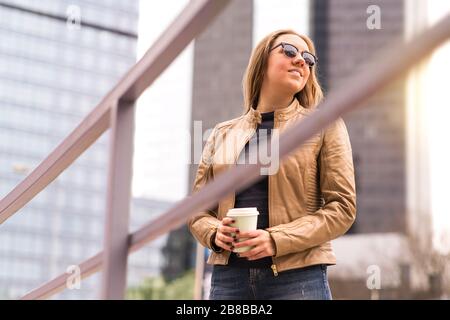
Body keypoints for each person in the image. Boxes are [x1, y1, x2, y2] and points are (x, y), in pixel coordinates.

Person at [188, 29, 356, 300]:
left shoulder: (325, 125)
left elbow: (342, 208)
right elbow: (198, 210)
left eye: (308, 59)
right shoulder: (221, 133)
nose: (301, 61)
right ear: (262, 60)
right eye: (289, 51)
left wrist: (276, 239)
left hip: (298, 277)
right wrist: (214, 232)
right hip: (229, 279)